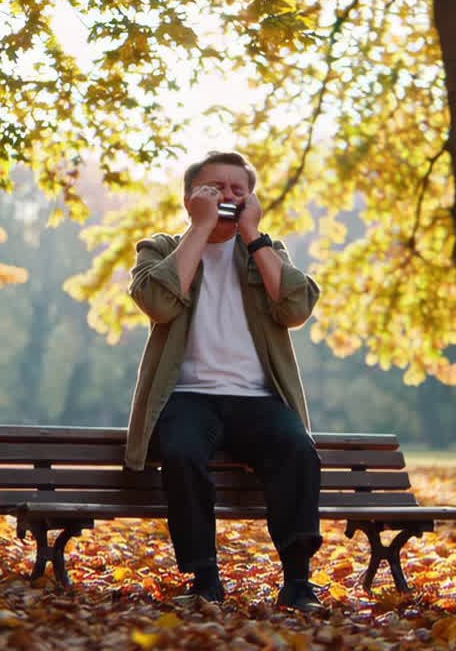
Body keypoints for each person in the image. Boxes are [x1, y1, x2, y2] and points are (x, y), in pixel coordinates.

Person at [125, 151, 325, 610]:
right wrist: (199, 229)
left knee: (298, 451)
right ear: (190, 198)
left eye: (238, 189)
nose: (228, 196)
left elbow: (295, 309)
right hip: (187, 397)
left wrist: (254, 237)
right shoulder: (158, 250)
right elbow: (158, 303)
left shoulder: (267, 253)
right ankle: (204, 576)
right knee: (180, 453)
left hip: (257, 398)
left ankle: (297, 581)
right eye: (214, 188)